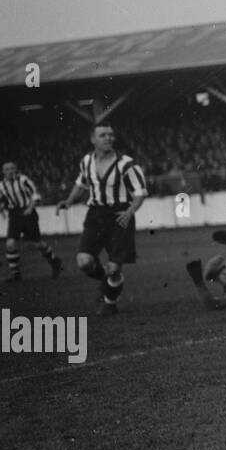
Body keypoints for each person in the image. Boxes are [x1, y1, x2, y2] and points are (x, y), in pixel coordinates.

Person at [55, 125, 145, 316]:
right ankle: (106, 282)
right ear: (93, 139)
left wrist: (130, 211)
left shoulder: (127, 164)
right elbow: (81, 184)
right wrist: (69, 201)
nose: (108, 138)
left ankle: (110, 303)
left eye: (111, 134)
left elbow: (140, 192)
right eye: (102, 135)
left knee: (114, 269)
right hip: (95, 215)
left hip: (119, 216)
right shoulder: (87, 161)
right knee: (84, 262)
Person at [0, 162, 63, 281]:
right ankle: (15, 274)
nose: (10, 171)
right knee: (10, 244)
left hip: (28, 214)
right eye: (7, 169)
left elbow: (35, 195)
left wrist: (30, 208)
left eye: (12, 168)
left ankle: (54, 261)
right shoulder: (1, 185)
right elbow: (1, 202)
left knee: (37, 243)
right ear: (3, 172)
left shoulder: (24, 180)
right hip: (14, 215)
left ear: (16, 169)